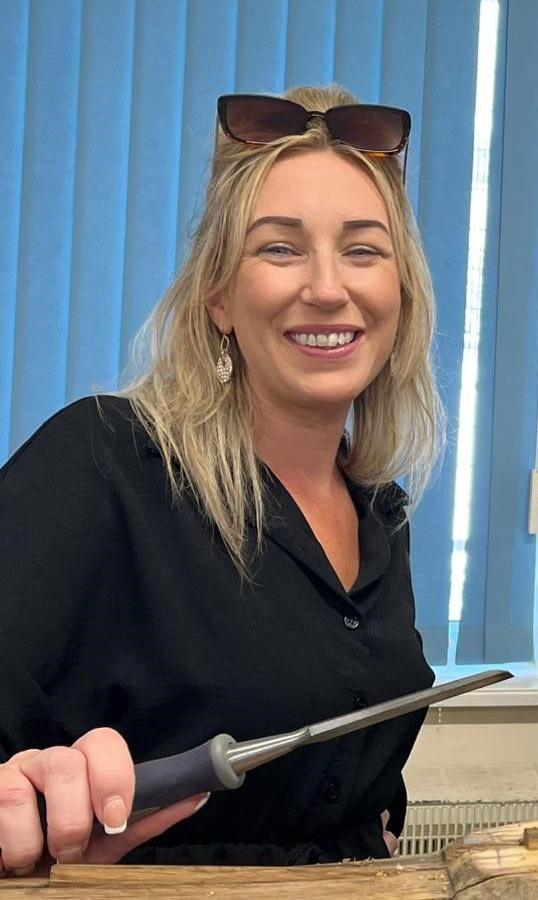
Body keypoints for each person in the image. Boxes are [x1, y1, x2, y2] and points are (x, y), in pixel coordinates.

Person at [0, 85, 443, 871]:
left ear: (401, 296)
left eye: (364, 250)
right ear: (219, 299)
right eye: (280, 248)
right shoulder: (104, 462)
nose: (328, 286)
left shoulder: (382, 513)